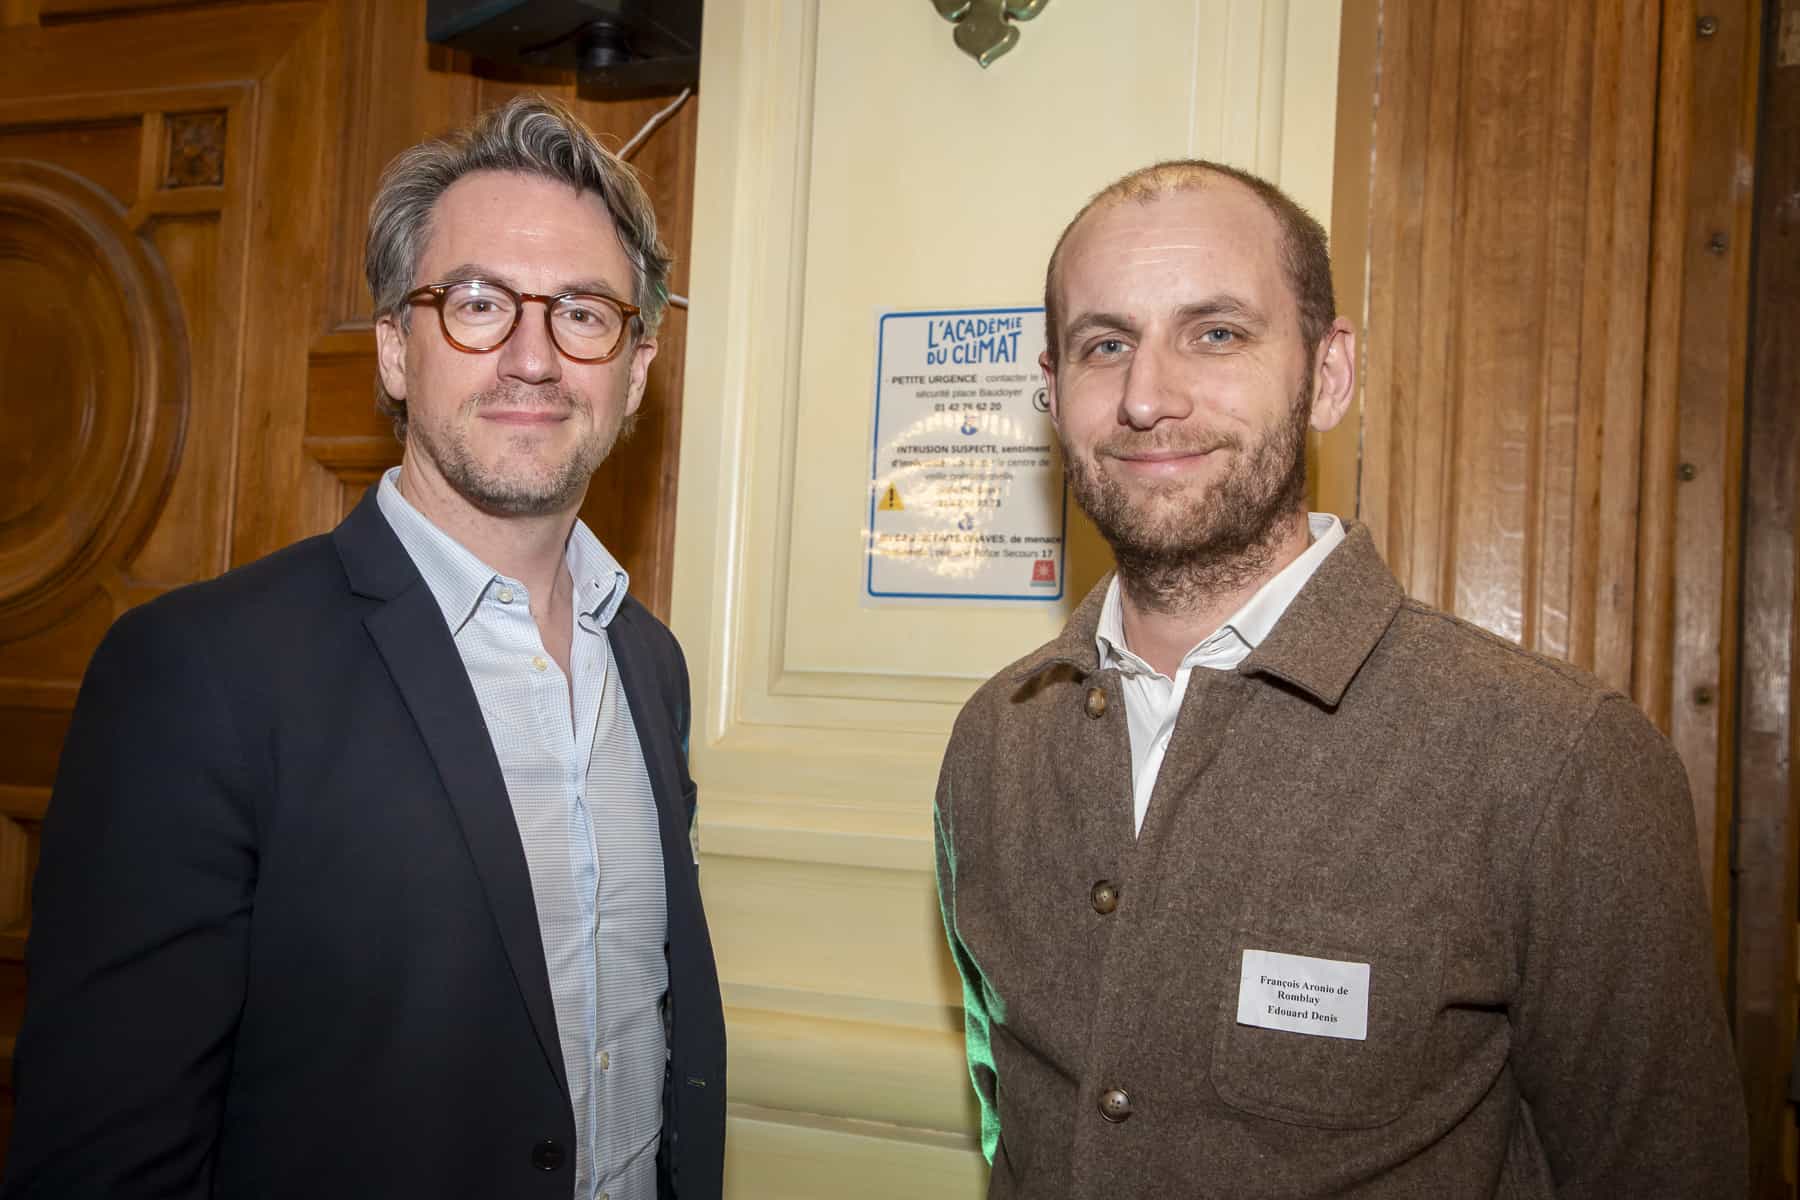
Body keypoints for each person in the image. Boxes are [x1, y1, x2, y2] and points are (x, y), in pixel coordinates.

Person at [933, 160, 1747, 1197]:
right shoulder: (995, 741)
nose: (1146, 397)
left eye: (1215, 333)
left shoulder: (1556, 761)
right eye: (1106, 345)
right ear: (1054, 392)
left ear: (1327, 374)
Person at [4, 96, 725, 1200]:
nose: (532, 357)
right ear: (394, 349)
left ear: (634, 369)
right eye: (477, 303)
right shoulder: (200, 676)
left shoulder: (650, 664)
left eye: (583, 312)